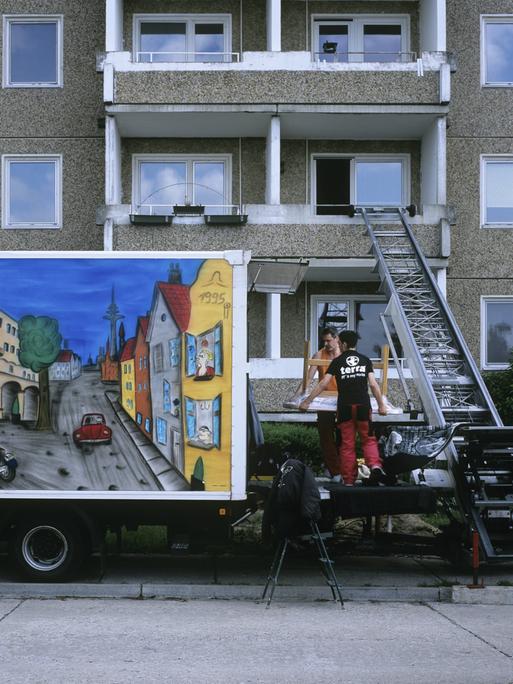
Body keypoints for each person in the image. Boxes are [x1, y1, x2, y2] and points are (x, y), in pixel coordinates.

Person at [299, 330, 388, 486]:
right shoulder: (365, 360)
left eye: (340, 343)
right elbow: (373, 385)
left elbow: (323, 384)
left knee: (347, 444)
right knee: (368, 439)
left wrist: (307, 401)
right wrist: (381, 405)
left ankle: (348, 480)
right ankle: (374, 465)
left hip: (345, 407)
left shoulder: (338, 361)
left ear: (345, 344)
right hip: (363, 406)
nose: (338, 344)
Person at [294, 328, 342, 481]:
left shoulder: (345, 354)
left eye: (328, 340)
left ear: (337, 339)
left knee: (344, 436)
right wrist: (297, 397)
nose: (326, 343)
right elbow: (308, 379)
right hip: (325, 401)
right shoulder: (319, 354)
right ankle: (335, 471)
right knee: (326, 436)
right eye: (324, 341)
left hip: (343, 400)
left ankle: (341, 469)